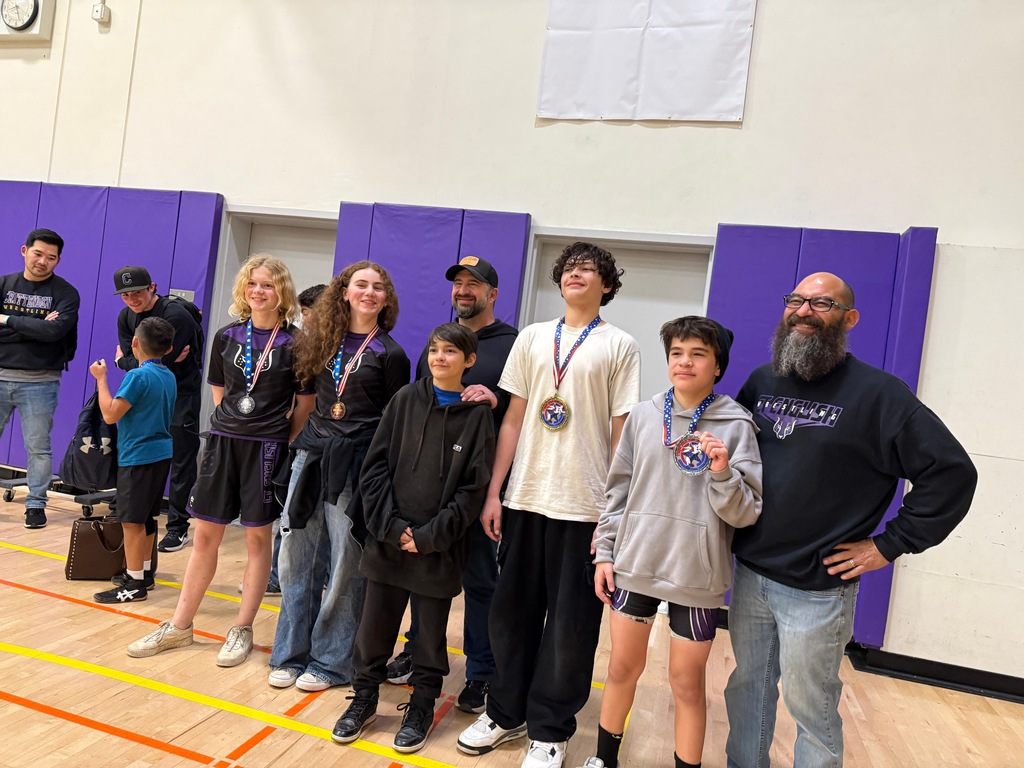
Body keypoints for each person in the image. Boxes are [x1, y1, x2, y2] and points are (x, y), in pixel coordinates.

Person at [723, 272, 978, 768]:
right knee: (747, 691)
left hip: (818, 589)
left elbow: (951, 473)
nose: (803, 311)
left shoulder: (880, 395)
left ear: (849, 318)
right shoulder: (762, 381)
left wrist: (889, 545)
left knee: (811, 710)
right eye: (796, 300)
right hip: (752, 574)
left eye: (822, 303)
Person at [457, 242, 641, 768]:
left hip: (583, 507)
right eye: (569, 270)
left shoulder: (620, 345)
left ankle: (551, 730)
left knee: (569, 627)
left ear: (607, 285)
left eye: (589, 270)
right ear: (558, 282)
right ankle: (506, 712)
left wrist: (612, 514)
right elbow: (512, 418)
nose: (576, 276)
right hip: (524, 498)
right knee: (509, 616)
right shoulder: (534, 337)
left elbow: (620, 433)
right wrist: (495, 492)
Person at [580, 317, 762, 768]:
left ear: (717, 366)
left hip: (695, 576)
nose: (685, 362)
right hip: (636, 565)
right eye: (677, 353)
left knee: (686, 682)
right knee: (621, 669)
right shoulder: (643, 415)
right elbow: (617, 491)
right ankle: (604, 759)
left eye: (698, 354)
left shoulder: (736, 425)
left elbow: (746, 511)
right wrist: (606, 553)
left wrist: (722, 472)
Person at [126, 255, 312, 665]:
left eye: (268, 285)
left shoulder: (297, 343)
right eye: (253, 284)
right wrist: (234, 426)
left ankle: (242, 627)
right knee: (205, 537)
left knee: (256, 539)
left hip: (265, 448)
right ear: (244, 289)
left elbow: (304, 406)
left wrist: (275, 438)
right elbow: (218, 391)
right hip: (223, 443)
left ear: (281, 291)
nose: (259, 291)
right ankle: (179, 626)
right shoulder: (227, 336)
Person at [332, 322, 496, 753]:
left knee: (429, 636)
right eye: (434, 349)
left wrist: (429, 536)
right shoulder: (404, 399)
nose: (440, 357)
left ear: (470, 360)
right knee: (374, 629)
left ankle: (422, 704)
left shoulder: (477, 415)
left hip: (437, 548)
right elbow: (375, 468)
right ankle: (364, 698)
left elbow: (473, 489)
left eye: (450, 352)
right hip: (388, 540)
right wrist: (391, 527)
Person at [268, 261, 410, 692]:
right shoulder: (319, 342)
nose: (369, 292)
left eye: (378, 287)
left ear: (385, 299)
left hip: (356, 464)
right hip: (311, 457)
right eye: (361, 285)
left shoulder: (391, 353)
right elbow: (308, 402)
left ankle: (330, 661)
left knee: (347, 564)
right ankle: (290, 653)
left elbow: (392, 424)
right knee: (295, 557)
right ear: (344, 292)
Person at [386, 255, 518, 714]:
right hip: (429, 490)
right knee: (422, 575)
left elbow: (524, 413)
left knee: (481, 581)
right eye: (458, 284)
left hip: (477, 490)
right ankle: (416, 651)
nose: (463, 291)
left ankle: (481, 673)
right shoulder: (441, 342)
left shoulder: (513, 345)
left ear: (492, 294)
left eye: (473, 284)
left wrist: (496, 399)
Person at [114, 266, 203, 554]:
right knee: (144, 453)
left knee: (181, 458)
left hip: (180, 392)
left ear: (152, 287)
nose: (132, 299)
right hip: (146, 394)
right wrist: (127, 362)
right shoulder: (126, 316)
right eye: (125, 295)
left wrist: (125, 362)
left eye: (137, 292)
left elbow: (156, 361)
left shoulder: (176, 315)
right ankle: (136, 517)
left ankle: (178, 527)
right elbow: (140, 361)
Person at [89, 317, 175, 604]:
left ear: (135, 343)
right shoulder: (168, 375)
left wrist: (102, 380)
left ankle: (134, 582)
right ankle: (146, 573)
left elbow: (111, 414)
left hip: (137, 456)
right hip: (161, 453)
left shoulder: (137, 377)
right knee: (147, 517)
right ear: (170, 348)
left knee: (131, 521)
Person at [0, 228, 80, 529]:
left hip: (41, 381)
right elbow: (43, 331)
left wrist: (6, 319)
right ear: (24, 251)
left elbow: (54, 333)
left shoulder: (65, 293)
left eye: (51, 257)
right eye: (38, 254)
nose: (42, 261)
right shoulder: (4, 284)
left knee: (38, 448)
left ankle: (35, 505)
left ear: (58, 261)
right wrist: (35, 326)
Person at [258, 282, 327, 597]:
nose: (305, 320)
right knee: (288, 512)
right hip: (298, 441)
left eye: (310, 314)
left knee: (316, 516)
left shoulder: (335, 348)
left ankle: (315, 573)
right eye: (304, 313)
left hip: (324, 443)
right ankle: (276, 575)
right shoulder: (296, 347)